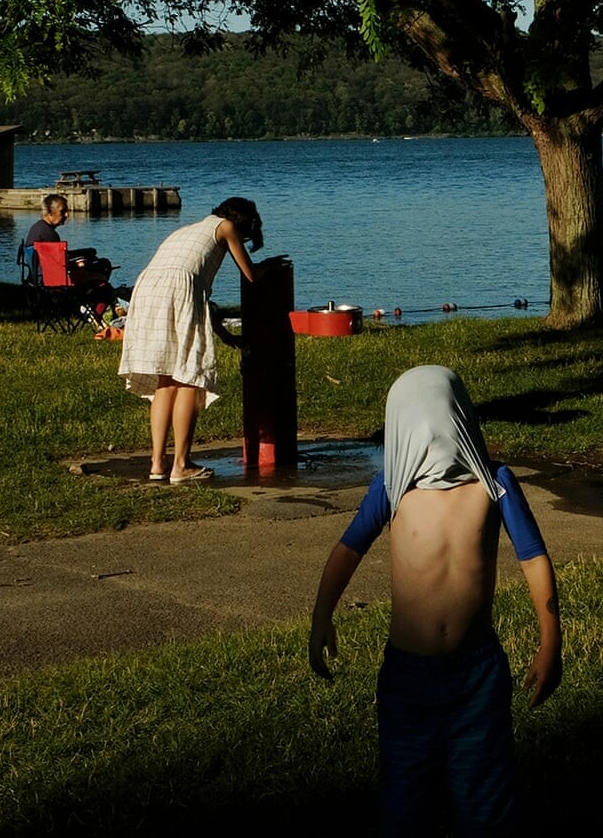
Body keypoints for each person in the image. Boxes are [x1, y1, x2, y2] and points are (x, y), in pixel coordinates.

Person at [309, 365, 563, 837]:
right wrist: (321, 616)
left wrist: (551, 644)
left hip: (477, 675)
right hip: (408, 678)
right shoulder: (392, 489)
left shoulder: (494, 483)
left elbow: (533, 557)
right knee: (406, 801)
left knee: (485, 802)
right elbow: (349, 548)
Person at [118, 197, 266, 483]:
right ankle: (181, 465)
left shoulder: (188, 230)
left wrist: (223, 334)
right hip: (177, 289)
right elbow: (250, 274)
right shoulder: (226, 227)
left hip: (148, 289)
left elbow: (195, 292)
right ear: (242, 221)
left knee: (166, 379)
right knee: (189, 379)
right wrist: (269, 267)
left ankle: (157, 463)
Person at [26, 193, 116, 305]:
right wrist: (79, 263)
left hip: (37, 277)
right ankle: (93, 306)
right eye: (62, 211)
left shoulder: (36, 229)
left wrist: (82, 253)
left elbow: (55, 258)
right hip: (51, 281)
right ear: (49, 212)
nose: (67, 215)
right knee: (101, 272)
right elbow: (59, 266)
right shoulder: (49, 234)